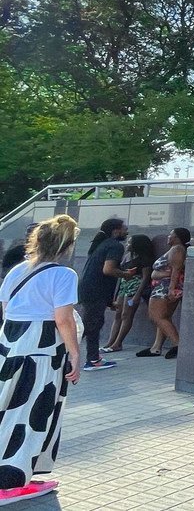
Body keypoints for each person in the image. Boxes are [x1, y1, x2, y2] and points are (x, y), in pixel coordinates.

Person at [0, 214, 81, 504]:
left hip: (9, 347)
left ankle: (14, 472)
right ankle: (9, 481)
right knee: (32, 413)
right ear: (67, 245)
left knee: (8, 412)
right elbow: (63, 319)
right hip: (42, 352)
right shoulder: (63, 275)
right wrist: (75, 354)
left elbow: (7, 310)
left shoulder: (17, 271)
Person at [78, 218, 134, 371]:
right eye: (124, 229)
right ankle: (91, 359)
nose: (126, 231)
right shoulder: (115, 246)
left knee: (90, 325)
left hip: (90, 290)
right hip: (95, 292)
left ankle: (89, 357)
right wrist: (125, 274)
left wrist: (109, 301)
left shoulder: (101, 244)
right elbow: (108, 270)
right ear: (115, 230)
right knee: (91, 326)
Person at [138, 228, 189, 360]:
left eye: (170, 235)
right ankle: (156, 348)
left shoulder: (177, 249)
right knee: (164, 317)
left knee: (156, 316)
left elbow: (176, 270)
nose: (168, 237)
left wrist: (171, 289)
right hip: (164, 286)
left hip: (164, 288)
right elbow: (172, 271)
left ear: (176, 237)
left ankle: (178, 344)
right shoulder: (176, 249)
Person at [100, 234, 155, 353]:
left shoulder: (144, 259)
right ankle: (110, 342)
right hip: (124, 286)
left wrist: (137, 295)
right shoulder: (127, 256)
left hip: (134, 286)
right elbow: (121, 275)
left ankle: (118, 343)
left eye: (130, 243)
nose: (127, 244)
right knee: (118, 314)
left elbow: (145, 278)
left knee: (126, 314)